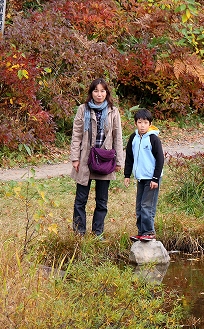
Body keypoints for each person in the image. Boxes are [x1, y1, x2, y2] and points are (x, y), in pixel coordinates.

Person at [69, 78, 124, 237]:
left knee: (102, 201)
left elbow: (117, 137)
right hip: (86, 158)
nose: (99, 94)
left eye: (102, 91)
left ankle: (97, 232)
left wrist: (119, 161)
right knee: (81, 199)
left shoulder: (113, 110)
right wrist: (75, 158)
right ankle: (79, 232)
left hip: (105, 160)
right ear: (91, 92)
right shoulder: (83, 109)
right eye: (96, 91)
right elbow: (76, 135)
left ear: (106, 93)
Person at [124, 108, 164, 242]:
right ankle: (141, 232)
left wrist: (155, 178)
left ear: (150, 124)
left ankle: (149, 231)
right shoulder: (133, 138)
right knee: (139, 205)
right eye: (140, 122)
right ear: (135, 123)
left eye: (145, 123)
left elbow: (160, 159)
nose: (142, 125)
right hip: (140, 177)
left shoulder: (153, 139)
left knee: (147, 205)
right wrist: (127, 175)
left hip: (152, 178)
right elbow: (129, 157)